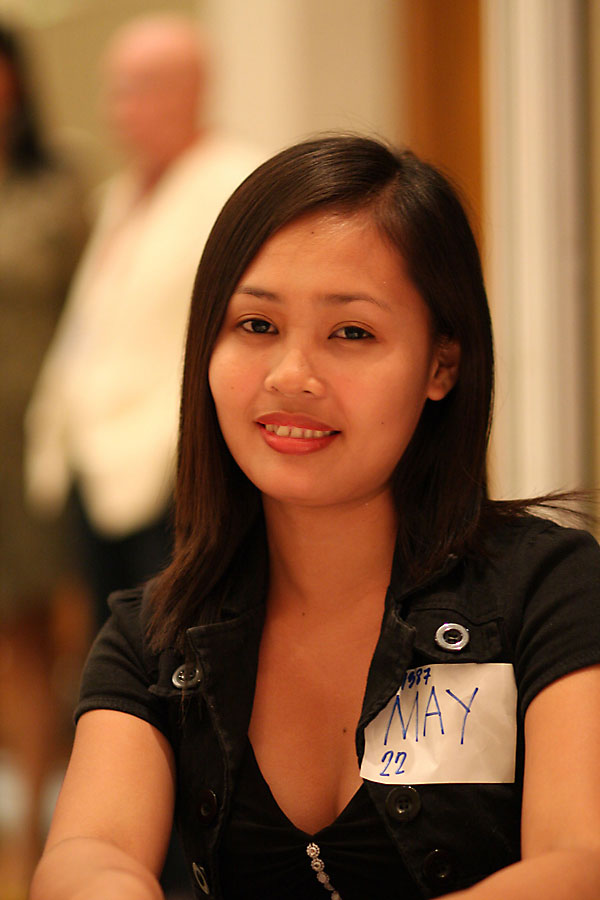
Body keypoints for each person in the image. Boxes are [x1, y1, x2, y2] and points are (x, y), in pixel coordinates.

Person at [30, 135, 600, 900]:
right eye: (256, 326)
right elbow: (86, 854)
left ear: (441, 363)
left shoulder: (550, 591)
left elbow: (580, 861)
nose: (291, 375)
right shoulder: (155, 635)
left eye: (351, 333)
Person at [24, 14, 263, 630]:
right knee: (112, 639)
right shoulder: (118, 195)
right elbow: (91, 325)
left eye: (136, 90)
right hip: (96, 456)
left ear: (190, 90)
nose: (118, 110)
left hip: (173, 463)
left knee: (171, 634)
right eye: (115, 90)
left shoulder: (235, 185)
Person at [0, 20, 89, 894]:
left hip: (33, 451)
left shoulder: (61, 190)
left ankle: (38, 833)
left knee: (42, 639)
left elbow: (93, 326)